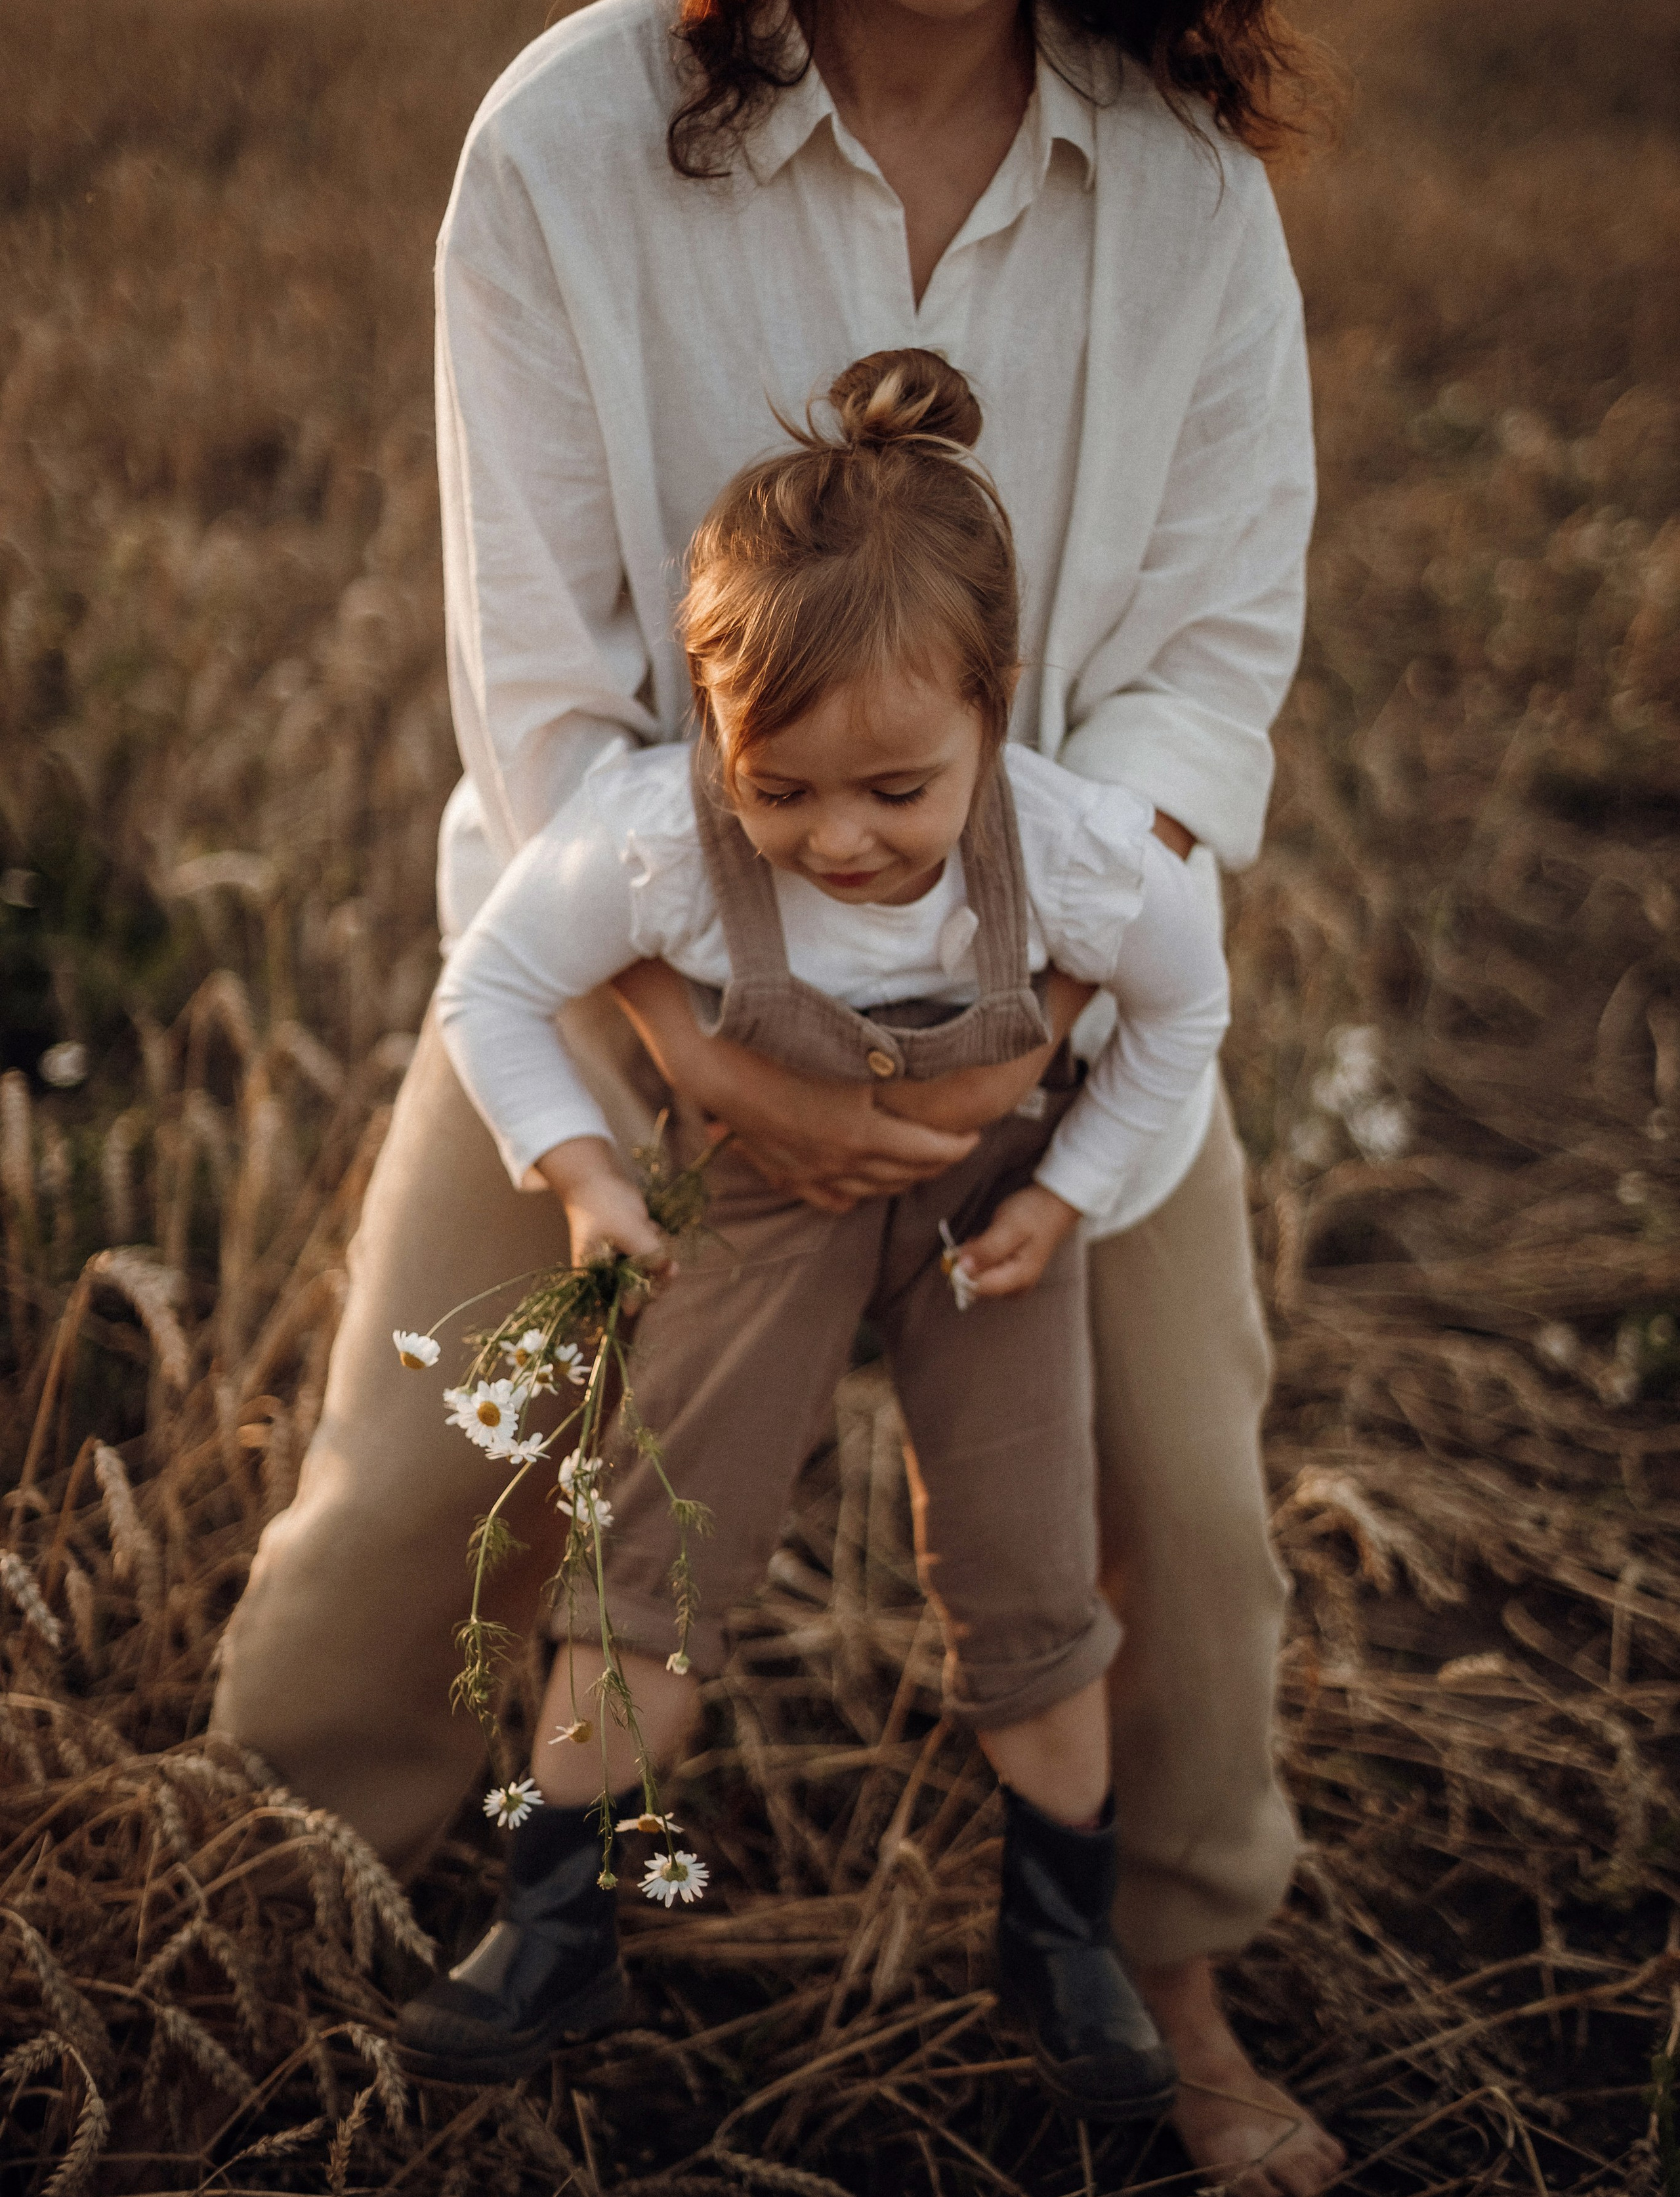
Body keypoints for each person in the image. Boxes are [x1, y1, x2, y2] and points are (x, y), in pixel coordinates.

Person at [213, 0, 1344, 2197]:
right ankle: (287, 1921)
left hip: (1051, 988)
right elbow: (543, 681)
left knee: (1176, 1493)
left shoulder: (1184, 188)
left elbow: (1216, 634)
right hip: (627, 942)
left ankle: (1163, 1977)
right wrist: (692, 1051)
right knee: (427, 1467)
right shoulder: (572, 140)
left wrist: (1043, 996)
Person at [394, 348, 1230, 2104]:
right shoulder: (656, 845)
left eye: (896, 795)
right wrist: (591, 1177)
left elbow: (1186, 1015)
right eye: (780, 791)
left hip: (990, 1213)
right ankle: (557, 1917)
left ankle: (1062, 1933)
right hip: (759, 1196)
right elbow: (490, 992)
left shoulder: (1082, 857)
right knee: (654, 1542)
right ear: (714, 729)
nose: (835, 842)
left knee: (1029, 1563)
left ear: (993, 711)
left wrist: (1071, 1193)